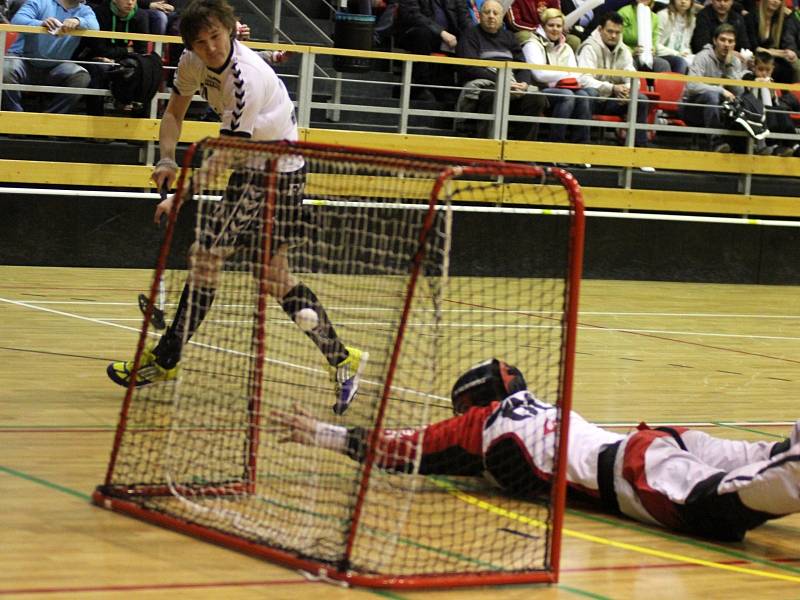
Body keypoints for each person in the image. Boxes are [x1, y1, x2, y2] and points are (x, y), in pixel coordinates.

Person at [106, 0, 368, 415]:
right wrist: (167, 159)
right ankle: (344, 358)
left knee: (209, 259)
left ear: (230, 30)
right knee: (271, 276)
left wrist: (181, 196)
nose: (210, 47)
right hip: (255, 166)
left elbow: (226, 157)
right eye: (200, 41)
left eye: (216, 36)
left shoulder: (245, 79)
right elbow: (174, 112)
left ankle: (166, 360)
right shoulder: (192, 63)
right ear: (190, 44)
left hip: (276, 172)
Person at [272, 358, 800, 542]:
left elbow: (399, 449)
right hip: (650, 442)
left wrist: (324, 433)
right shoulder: (537, 405)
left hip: (630, 471)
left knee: (714, 508)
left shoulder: (478, 428)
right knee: (754, 454)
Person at [455, 0, 548, 139]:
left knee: (536, 99)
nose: (491, 16)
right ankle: (486, 148)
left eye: (495, 13)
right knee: (494, 96)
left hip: (511, 85)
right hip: (487, 86)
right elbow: (469, 68)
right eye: (487, 12)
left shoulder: (509, 37)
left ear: (501, 17)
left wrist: (523, 83)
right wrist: (501, 82)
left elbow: (522, 65)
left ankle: (521, 151)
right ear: (480, 15)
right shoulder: (470, 35)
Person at [2, 0, 99, 113]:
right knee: (4, 69)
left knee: (81, 76)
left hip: (56, 66)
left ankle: (49, 120)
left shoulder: (85, 10)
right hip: (23, 60)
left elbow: (94, 26)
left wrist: (78, 21)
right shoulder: (39, 2)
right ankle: (16, 117)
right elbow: (17, 21)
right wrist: (41, 24)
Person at [576, 11, 651, 147]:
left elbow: (635, 80)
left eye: (617, 32)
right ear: (600, 29)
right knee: (588, 94)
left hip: (614, 100)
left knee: (640, 99)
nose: (613, 36)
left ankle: (640, 150)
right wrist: (612, 88)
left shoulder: (624, 50)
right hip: (594, 100)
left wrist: (625, 90)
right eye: (610, 31)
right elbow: (583, 80)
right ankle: (583, 146)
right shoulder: (589, 47)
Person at [522, 8, 593, 143]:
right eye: (551, 25)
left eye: (559, 26)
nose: (555, 29)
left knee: (584, 95)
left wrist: (561, 76)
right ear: (543, 26)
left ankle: (581, 147)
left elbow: (577, 74)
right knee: (567, 95)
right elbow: (539, 75)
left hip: (563, 89)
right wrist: (565, 74)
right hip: (538, 90)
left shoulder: (566, 47)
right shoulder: (532, 44)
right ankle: (555, 145)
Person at [683, 23, 750, 152]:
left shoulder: (734, 61)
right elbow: (692, 85)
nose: (726, 44)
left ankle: (749, 146)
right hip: (692, 107)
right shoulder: (702, 57)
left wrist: (729, 68)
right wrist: (721, 90)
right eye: (723, 40)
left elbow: (739, 92)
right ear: (714, 41)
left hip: (720, 107)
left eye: (730, 41)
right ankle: (715, 142)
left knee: (747, 99)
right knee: (712, 96)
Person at [76, 0, 150, 116]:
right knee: (100, 68)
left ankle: (140, 122)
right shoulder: (99, 12)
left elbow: (141, 50)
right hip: (92, 57)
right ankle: (95, 118)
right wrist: (127, 51)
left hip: (120, 59)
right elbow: (99, 49)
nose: (130, 3)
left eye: (134, 0)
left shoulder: (141, 16)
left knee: (145, 69)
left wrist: (118, 58)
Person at [394, 0, 472, 101]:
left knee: (467, 40)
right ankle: (421, 85)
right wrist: (441, 32)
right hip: (415, 33)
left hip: (448, 37)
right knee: (422, 34)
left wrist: (475, 36)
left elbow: (464, 18)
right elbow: (413, 15)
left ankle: (458, 89)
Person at [743, 51, 799, 156]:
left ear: (772, 69)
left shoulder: (771, 81)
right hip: (753, 111)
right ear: (754, 68)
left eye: (767, 70)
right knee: (770, 111)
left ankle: (793, 145)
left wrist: (771, 90)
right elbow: (748, 92)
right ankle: (771, 145)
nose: (764, 73)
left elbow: (775, 101)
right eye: (760, 69)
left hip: (770, 112)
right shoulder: (748, 77)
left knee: (782, 110)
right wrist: (759, 82)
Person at [745, 0, 799, 84]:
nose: (776, 1)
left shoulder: (780, 21)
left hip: (772, 59)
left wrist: (789, 53)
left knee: (789, 69)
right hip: (754, 57)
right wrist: (781, 53)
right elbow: (755, 48)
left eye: (779, 0)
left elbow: (783, 45)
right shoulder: (751, 17)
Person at [617, 0, 672, 73]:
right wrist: (632, 51)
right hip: (626, 54)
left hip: (647, 56)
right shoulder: (624, 13)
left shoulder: (655, 17)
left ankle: (663, 85)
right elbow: (616, 39)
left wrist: (653, 50)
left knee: (663, 64)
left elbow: (654, 41)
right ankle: (632, 84)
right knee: (630, 64)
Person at [656, 0, 695, 74]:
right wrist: (677, 53)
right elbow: (655, 45)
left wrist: (686, 52)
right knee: (680, 62)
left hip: (680, 55)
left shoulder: (692, 19)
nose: (683, 1)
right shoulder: (663, 15)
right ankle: (676, 85)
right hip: (663, 54)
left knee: (698, 61)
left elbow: (686, 45)